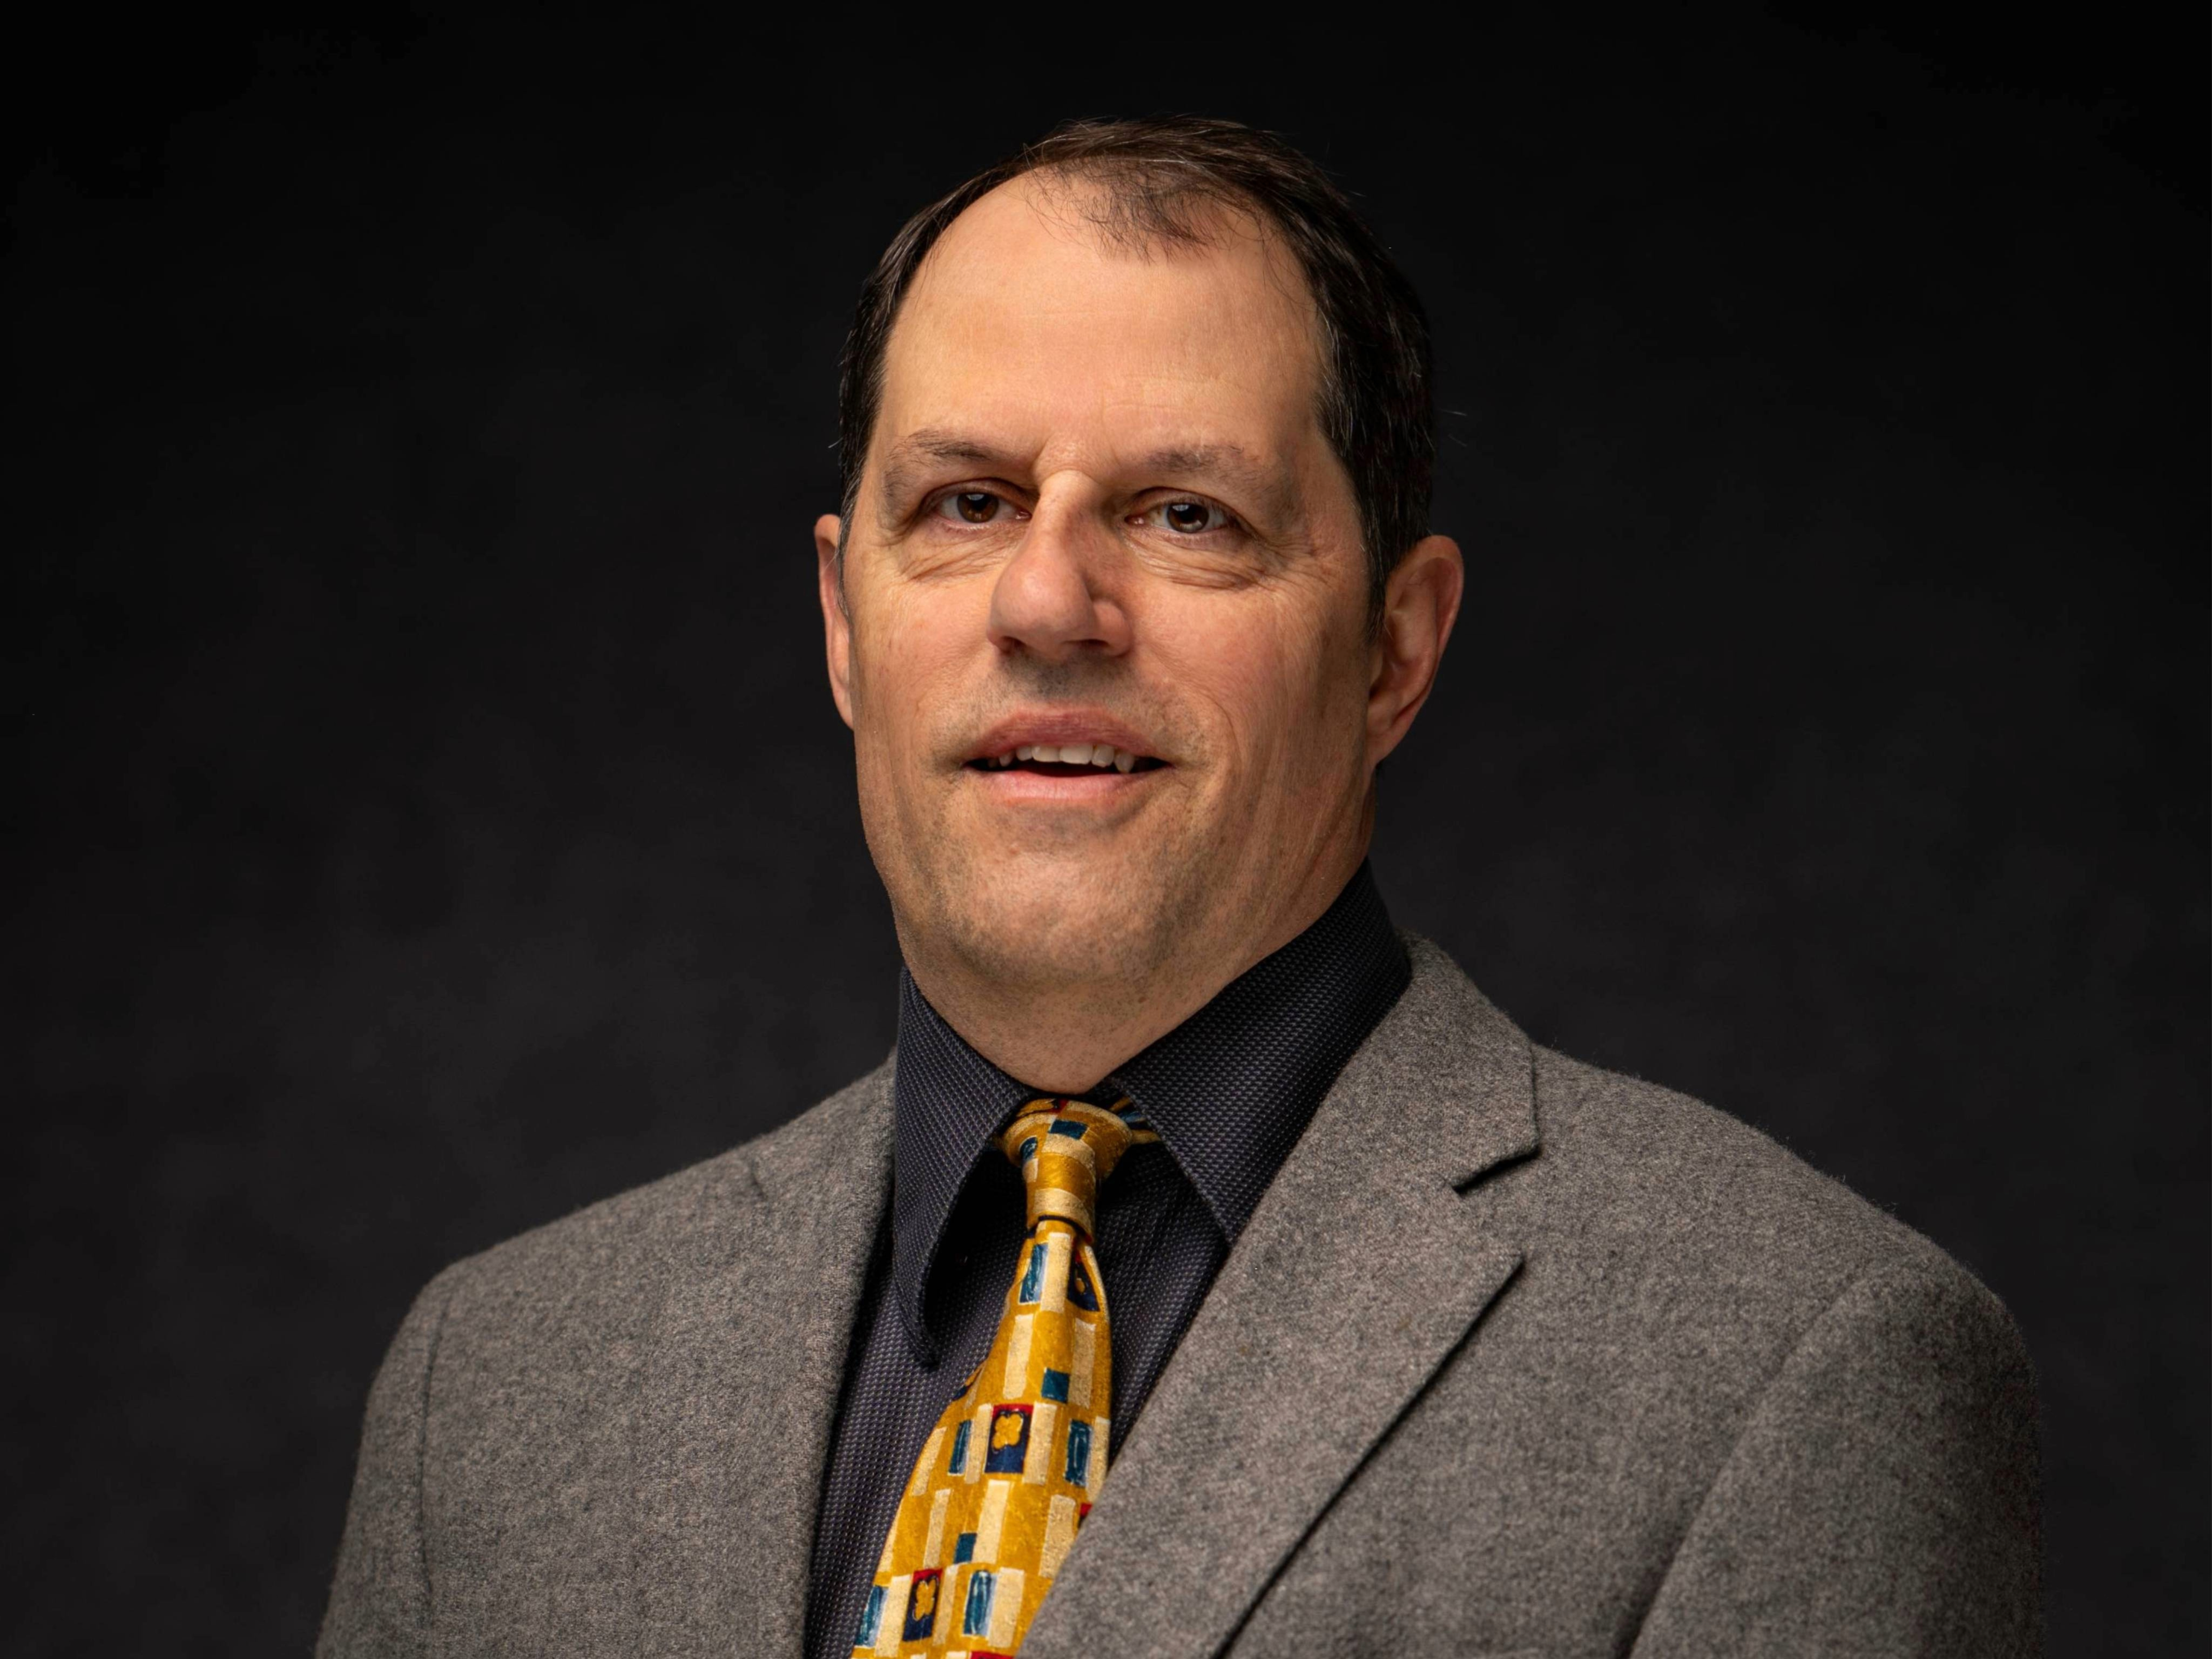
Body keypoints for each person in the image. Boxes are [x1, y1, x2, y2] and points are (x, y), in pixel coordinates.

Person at [318, 117, 2041, 1658]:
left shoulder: (1792, 1369)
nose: (1047, 603)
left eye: (1186, 515)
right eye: (969, 502)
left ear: (1394, 648)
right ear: (845, 621)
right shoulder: (500, 1384)